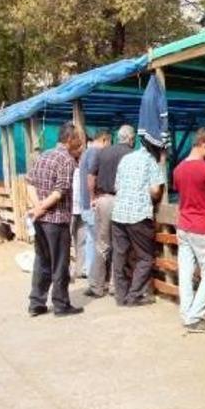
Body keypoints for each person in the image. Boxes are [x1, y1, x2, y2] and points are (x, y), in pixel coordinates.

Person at [26, 121, 85, 317]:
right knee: (60, 263)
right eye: (77, 138)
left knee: (42, 261)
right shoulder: (66, 160)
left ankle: (36, 303)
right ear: (69, 139)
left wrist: (37, 208)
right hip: (56, 220)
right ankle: (61, 304)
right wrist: (42, 208)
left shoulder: (44, 155)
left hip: (40, 221)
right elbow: (59, 192)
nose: (80, 142)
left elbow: (29, 184)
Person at [173, 127, 205, 332]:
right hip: (202, 226)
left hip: (183, 225)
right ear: (203, 144)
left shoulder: (178, 169)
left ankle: (186, 313)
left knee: (185, 273)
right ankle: (195, 317)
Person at [110, 132, 168, 306]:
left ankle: (121, 295)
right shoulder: (151, 162)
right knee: (146, 258)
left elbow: (117, 186)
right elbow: (156, 190)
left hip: (119, 213)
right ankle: (134, 295)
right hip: (139, 215)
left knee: (120, 256)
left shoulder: (126, 159)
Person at [85, 125, 135, 298]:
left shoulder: (103, 152)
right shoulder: (132, 154)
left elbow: (91, 177)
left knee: (102, 244)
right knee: (120, 245)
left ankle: (96, 286)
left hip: (104, 200)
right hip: (122, 201)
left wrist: (93, 197)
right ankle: (116, 286)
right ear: (131, 139)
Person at [72, 131, 111, 279]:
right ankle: (97, 275)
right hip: (91, 204)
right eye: (109, 143)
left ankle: (89, 271)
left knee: (90, 238)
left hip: (84, 203)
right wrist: (93, 198)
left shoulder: (85, 153)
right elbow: (91, 177)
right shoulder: (95, 153)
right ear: (104, 139)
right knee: (98, 240)